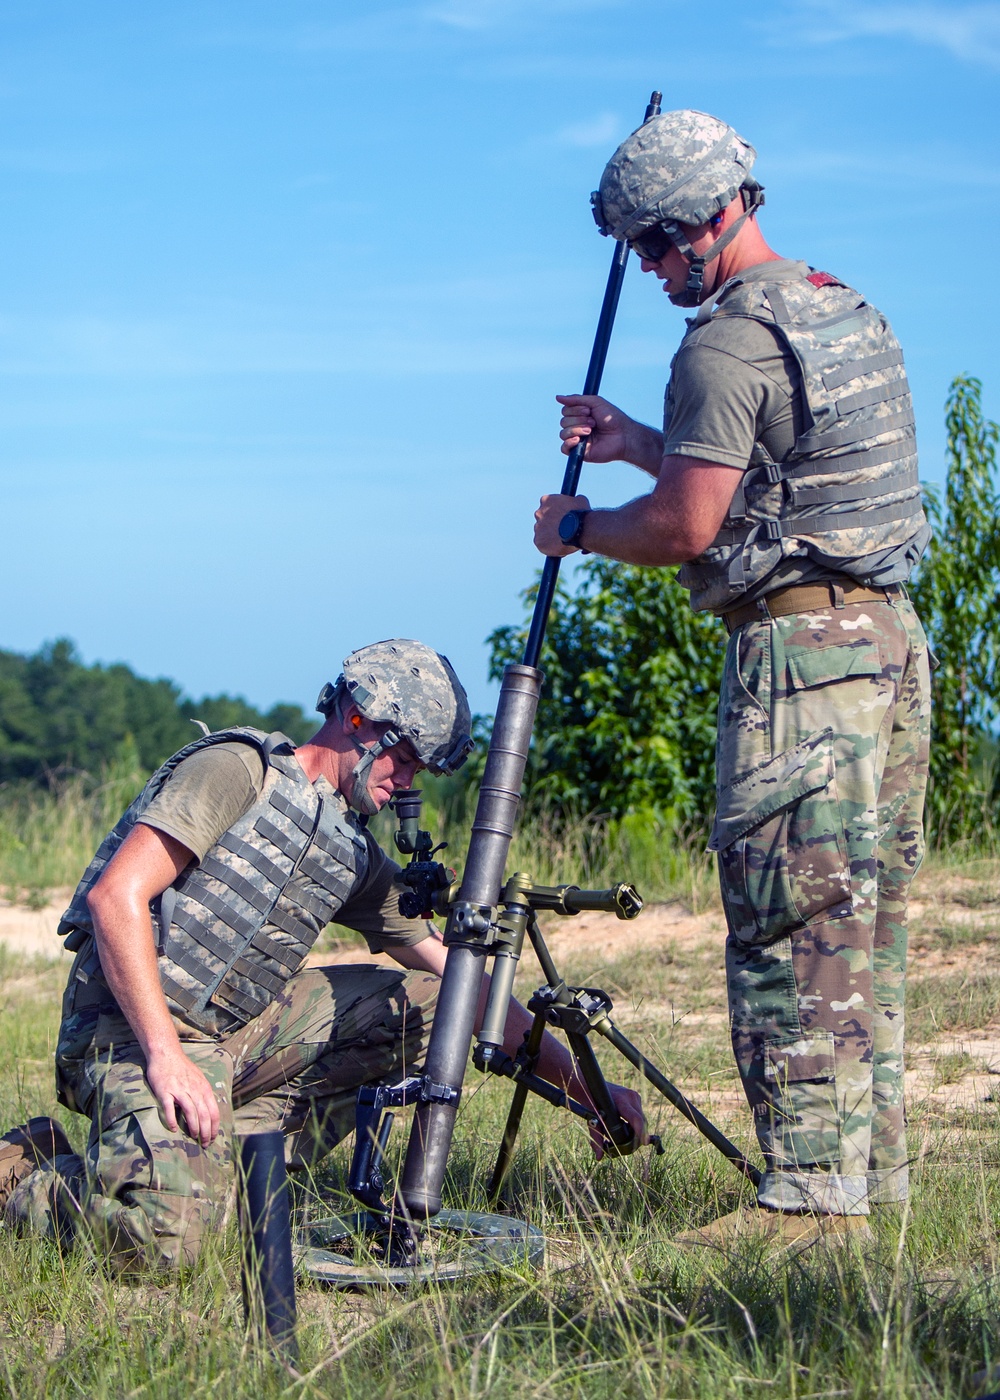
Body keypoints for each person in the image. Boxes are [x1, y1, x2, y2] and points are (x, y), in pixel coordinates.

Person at [534, 110, 931, 1248]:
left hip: (799, 666)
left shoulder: (720, 343)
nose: (653, 269)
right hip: (884, 646)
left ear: (708, 219)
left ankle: (803, 1203)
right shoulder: (839, 307)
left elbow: (685, 527)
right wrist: (637, 440)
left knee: (785, 918)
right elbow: (778, 487)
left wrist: (578, 525)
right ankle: (868, 1185)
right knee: (863, 924)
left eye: (656, 245)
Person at [0, 639, 643, 1268]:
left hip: (238, 1033)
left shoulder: (350, 851)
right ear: (360, 720)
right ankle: (28, 1174)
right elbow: (117, 898)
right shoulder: (238, 770)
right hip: (131, 1032)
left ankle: (232, 1169)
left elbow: (465, 985)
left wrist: (590, 1092)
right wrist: (167, 1057)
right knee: (164, 1242)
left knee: (433, 1008)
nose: (409, 781)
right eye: (407, 760)